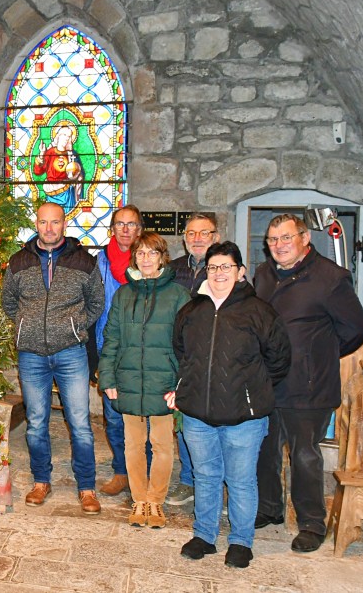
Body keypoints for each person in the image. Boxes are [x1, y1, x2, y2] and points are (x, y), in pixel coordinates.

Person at [253, 214, 363, 553]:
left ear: (304, 238)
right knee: (266, 449)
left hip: (309, 385)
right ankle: (270, 508)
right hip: (267, 381)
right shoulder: (264, 275)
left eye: (286, 238)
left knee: (304, 454)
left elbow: (355, 329)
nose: (279, 246)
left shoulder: (330, 278)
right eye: (273, 240)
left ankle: (311, 523)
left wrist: (317, 356)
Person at [173, 241, 291, 568]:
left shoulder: (259, 311)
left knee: (240, 480)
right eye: (213, 267)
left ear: (240, 272)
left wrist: (252, 390)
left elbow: (279, 360)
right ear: (205, 272)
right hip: (198, 414)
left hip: (244, 417)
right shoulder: (191, 311)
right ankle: (204, 535)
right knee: (206, 476)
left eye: (226, 266)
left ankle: (240, 540)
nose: (219, 273)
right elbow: (181, 353)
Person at [2, 202, 105, 514]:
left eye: (55, 222)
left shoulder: (84, 262)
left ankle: (86, 487)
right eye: (44, 222)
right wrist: (26, 326)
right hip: (31, 355)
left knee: (80, 423)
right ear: (37, 223)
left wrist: (71, 328)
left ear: (64, 224)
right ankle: (41, 481)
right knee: (36, 423)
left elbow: (96, 302)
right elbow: (8, 301)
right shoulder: (18, 261)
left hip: (71, 353)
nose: (49, 228)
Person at [98, 232, 189, 529]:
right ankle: (139, 499)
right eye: (140, 253)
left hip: (163, 381)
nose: (146, 258)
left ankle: (156, 501)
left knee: (162, 444)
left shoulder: (177, 295)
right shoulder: (124, 294)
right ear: (134, 257)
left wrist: (181, 384)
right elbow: (111, 338)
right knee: (133, 444)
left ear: (162, 257)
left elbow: (187, 344)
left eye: (152, 253)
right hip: (128, 379)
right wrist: (108, 376)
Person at [165, 212, 220, 508]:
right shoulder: (172, 270)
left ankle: (214, 481)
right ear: (184, 239)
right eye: (191, 234)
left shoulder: (225, 269)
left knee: (215, 421)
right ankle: (189, 480)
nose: (197, 239)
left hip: (214, 357)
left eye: (204, 233)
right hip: (180, 357)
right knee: (184, 421)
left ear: (216, 237)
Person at [94, 204, 142, 496]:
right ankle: (122, 471)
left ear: (139, 229)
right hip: (108, 349)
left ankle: (143, 474)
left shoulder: (149, 260)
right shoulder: (99, 262)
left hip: (141, 351)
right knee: (113, 416)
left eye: (132, 224)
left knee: (142, 417)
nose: (125, 229)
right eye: (120, 224)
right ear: (112, 229)